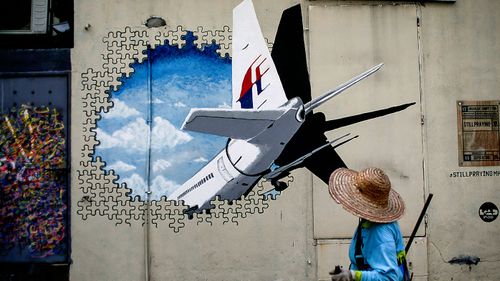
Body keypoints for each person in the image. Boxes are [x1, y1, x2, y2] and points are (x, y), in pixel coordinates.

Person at [327, 167, 410, 281]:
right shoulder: (369, 223)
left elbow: (389, 278)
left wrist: (353, 276)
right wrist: (348, 273)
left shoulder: (379, 232)